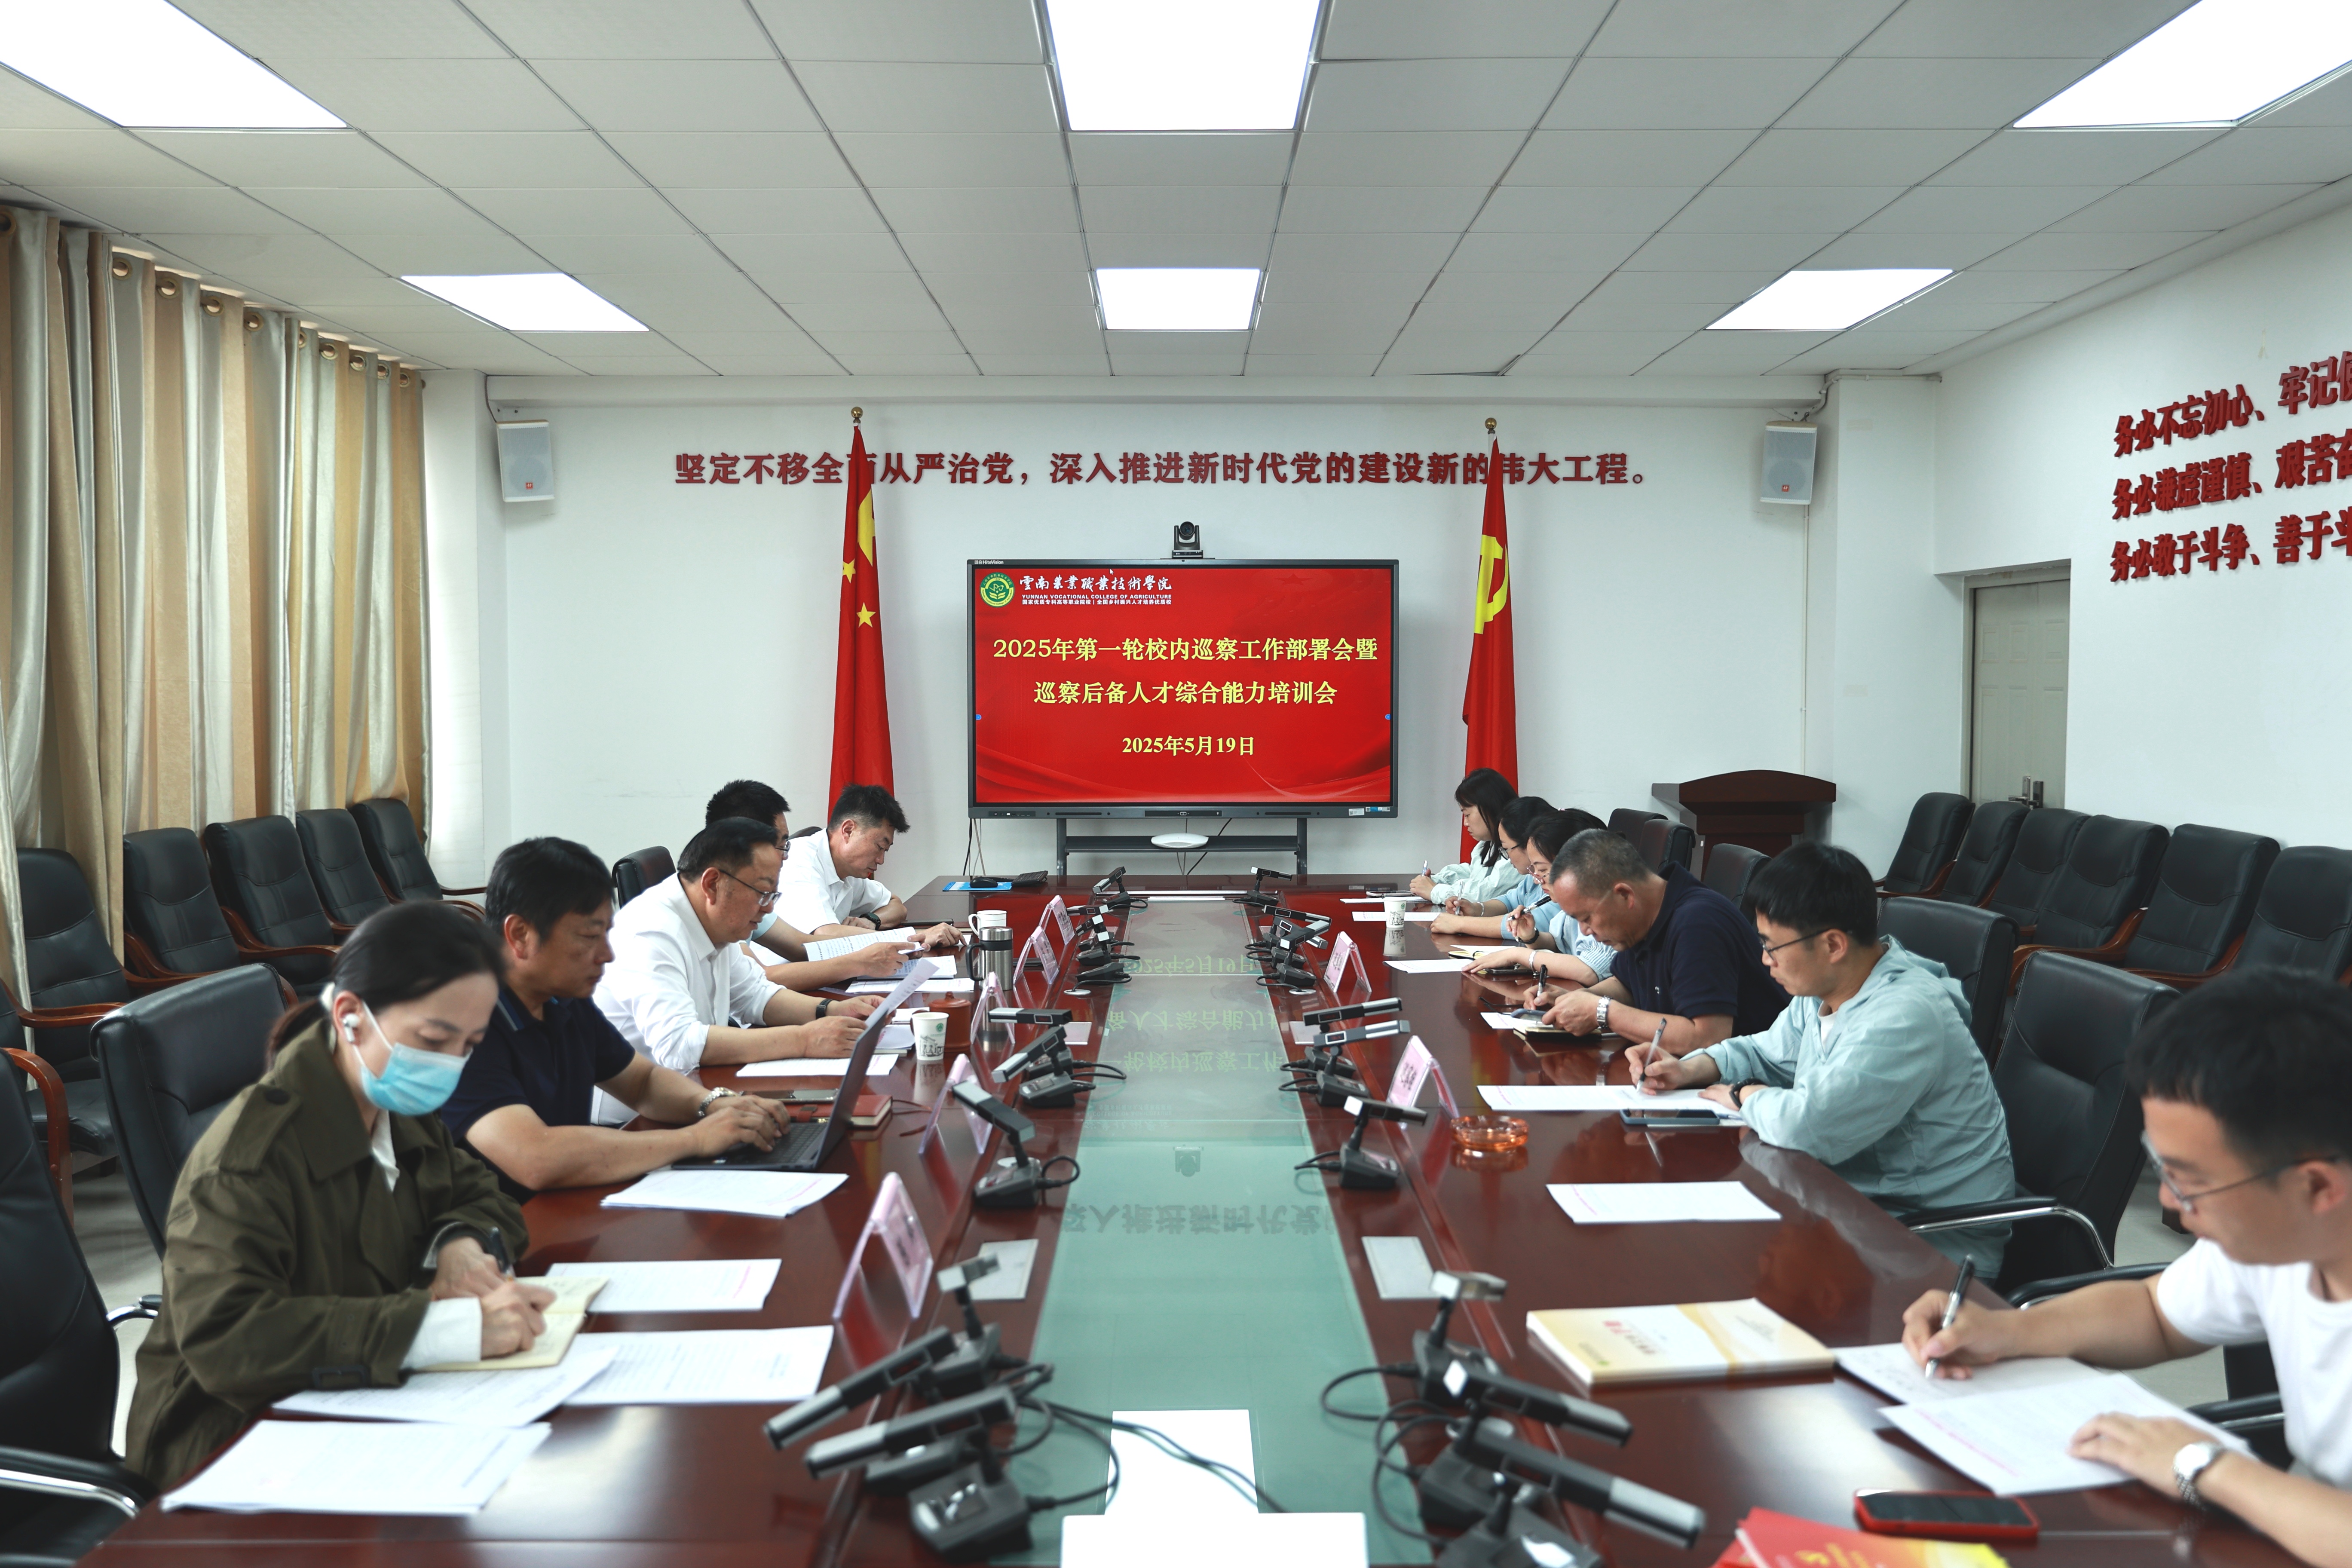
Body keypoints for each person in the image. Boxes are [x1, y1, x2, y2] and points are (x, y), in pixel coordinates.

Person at [1904, 971, 2352, 1566]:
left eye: (2189, 1181)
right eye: (2161, 1169)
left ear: (2317, 1187)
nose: (2168, 1201)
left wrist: (2204, 1465)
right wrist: (2008, 1331)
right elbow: (2154, 1313)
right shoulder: (2286, 1239)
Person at [127, 903, 552, 1489]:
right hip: (231, 1444)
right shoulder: (248, 1161)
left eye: (470, 1044)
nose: (449, 1064)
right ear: (351, 1016)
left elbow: (482, 1192)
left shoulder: (394, 1103)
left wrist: (459, 1244)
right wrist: (441, 1331)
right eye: (434, 1038)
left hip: (360, 1401)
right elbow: (230, 1340)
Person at [1629, 842, 2014, 1271]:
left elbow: (1805, 1125)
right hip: (1848, 1204)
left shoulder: (1904, 1015)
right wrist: (1690, 1069)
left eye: (1773, 947)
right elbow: (1765, 1052)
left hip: (1926, 1242)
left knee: (1716, 1264)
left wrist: (1743, 1094)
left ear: (1832, 945)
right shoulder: (1824, 990)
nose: (1764, 960)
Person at [442, 836, 790, 1200]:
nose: (607, 955)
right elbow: (535, 1157)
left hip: (567, 1203)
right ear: (520, 935)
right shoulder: (462, 1020)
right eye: (589, 937)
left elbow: (642, 1083)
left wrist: (716, 1105)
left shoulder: (563, 999)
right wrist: (697, 1139)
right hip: (497, 1223)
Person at [592, 816, 879, 1125]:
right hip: (631, 1124)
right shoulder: (649, 932)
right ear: (713, 884)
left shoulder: (712, 917)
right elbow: (679, 1044)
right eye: (762, 893)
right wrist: (804, 1040)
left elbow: (757, 996)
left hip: (698, 1095)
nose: (769, 908)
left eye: (773, 895)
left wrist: (834, 1010)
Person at [1539, 827, 1788, 1052]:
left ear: (1624, 895)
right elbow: (1628, 985)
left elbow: (1707, 1038)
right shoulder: (1644, 917)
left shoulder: (1698, 923)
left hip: (1753, 1080)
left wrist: (1602, 1011)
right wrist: (1573, 1002)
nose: (1584, 931)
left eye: (1587, 918)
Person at [704, 778, 914, 988]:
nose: (786, 856)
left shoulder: (743, 898)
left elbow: (803, 947)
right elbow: (760, 980)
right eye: (781, 846)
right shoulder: (797, 863)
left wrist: (894, 940)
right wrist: (876, 955)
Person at [773, 781, 961, 950]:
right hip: (782, 975)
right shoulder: (798, 862)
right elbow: (825, 935)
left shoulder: (848, 871)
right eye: (879, 847)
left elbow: (896, 905)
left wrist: (872, 921)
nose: (881, 860)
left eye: (885, 851)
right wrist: (916, 938)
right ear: (849, 830)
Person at [1461, 810, 1617, 990]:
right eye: (1534, 870)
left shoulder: (1609, 909)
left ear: (1580, 865)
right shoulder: (1571, 907)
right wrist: (1531, 936)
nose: (1537, 880)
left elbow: (1589, 971)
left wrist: (1518, 955)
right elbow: (1558, 941)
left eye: (1543, 871)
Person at [1430, 795, 1553, 923]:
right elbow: (1510, 900)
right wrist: (1475, 909)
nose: (1506, 855)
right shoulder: (1531, 878)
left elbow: (1528, 924)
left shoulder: (1555, 881)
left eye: (1507, 849)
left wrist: (1462, 924)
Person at [1409, 768, 1519, 906]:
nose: (1465, 823)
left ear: (1490, 808)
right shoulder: (1486, 844)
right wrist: (1435, 881)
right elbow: (1473, 874)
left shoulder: (1518, 849)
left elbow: (1486, 894)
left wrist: (1434, 891)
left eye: (1467, 815)